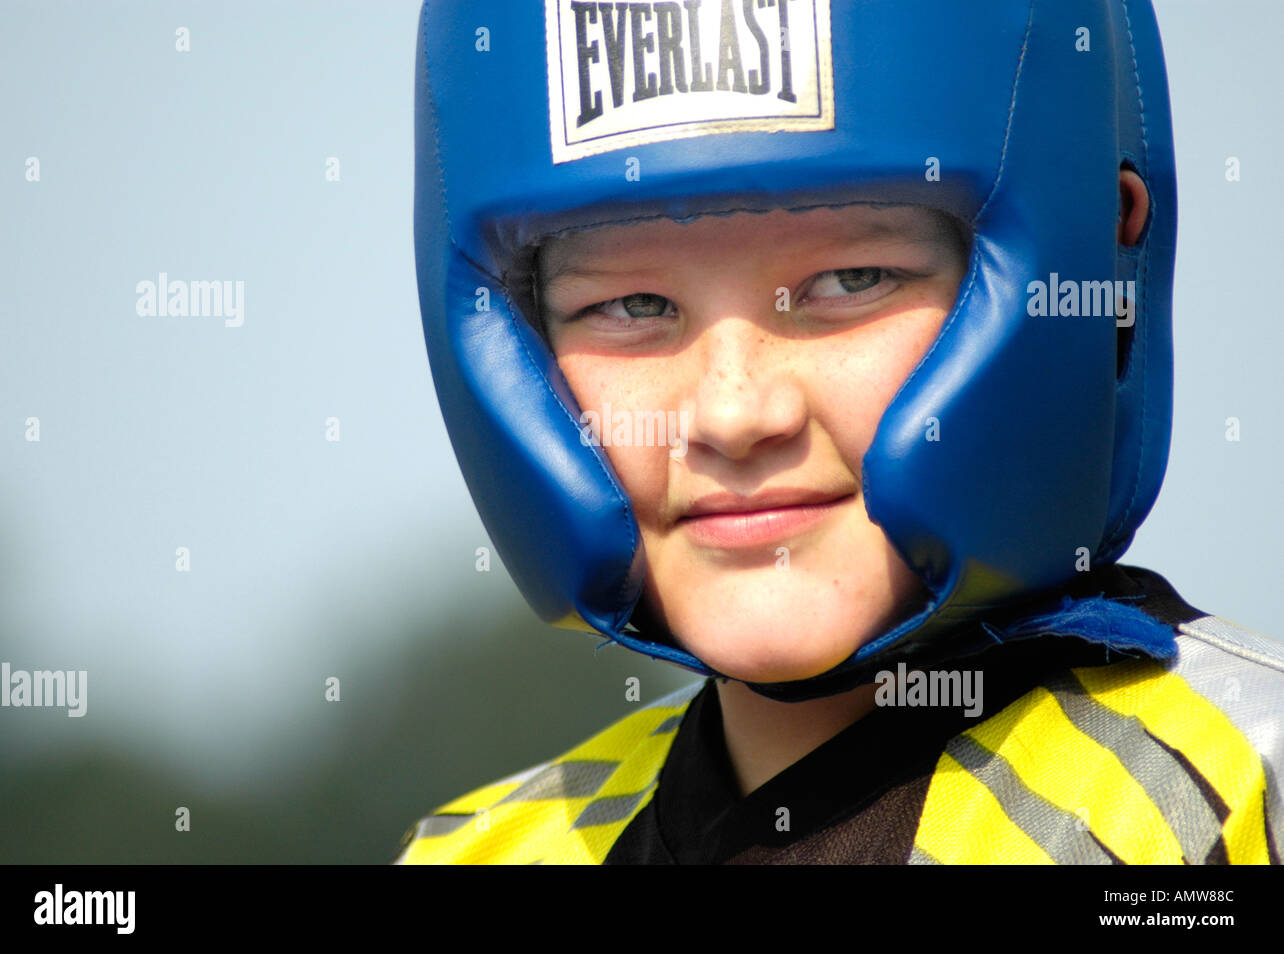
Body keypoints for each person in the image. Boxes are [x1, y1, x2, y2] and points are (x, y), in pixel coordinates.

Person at [396, 0, 1283, 864]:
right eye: (633, 305)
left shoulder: (1232, 793)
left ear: (1093, 252)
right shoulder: (485, 851)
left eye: (854, 279)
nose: (736, 415)